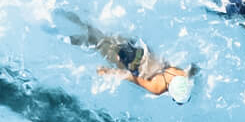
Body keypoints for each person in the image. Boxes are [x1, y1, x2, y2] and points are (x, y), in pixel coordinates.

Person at [63, 13, 195, 102]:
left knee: (99, 33)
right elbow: (132, 77)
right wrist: (108, 72)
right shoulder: (158, 88)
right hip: (128, 61)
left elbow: (192, 71)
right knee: (94, 42)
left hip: (137, 50)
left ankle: (71, 16)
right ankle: (65, 36)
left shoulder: (181, 74)